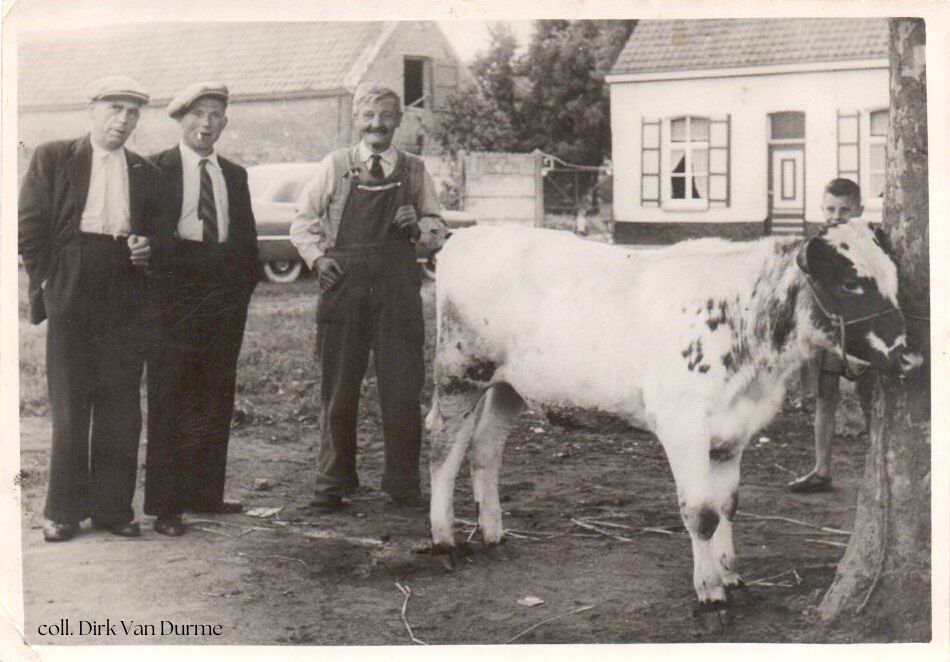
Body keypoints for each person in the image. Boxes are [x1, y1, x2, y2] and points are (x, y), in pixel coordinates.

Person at [290, 84, 447, 513]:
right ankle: (332, 483)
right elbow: (302, 221)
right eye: (368, 116)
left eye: (385, 116)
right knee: (338, 387)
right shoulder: (337, 165)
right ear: (356, 120)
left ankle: (403, 484)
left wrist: (418, 225)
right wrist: (318, 258)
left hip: (398, 291)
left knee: (402, 387)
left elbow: (437, 231)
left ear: (398, 121)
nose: (376, 124)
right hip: (345, 287)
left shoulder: (414, 170)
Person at [19, 75, 160, 541]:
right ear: (92, 110)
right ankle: (62, 512)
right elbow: (29, 224)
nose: (124, 119)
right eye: (115, 108)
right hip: (72, 277)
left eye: (132, 112)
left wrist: (146, 249)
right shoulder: (54, 156)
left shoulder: (144, 169)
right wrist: (49, 280)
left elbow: (156, 234)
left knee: (121, 402)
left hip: (125, 283)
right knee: (71, 402)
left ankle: (113, 509)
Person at [144, 83, 259, 536]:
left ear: (224, 123)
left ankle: (206, 493)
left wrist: (241, 291)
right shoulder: (155, 169)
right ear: (180, 119)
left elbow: (246, 240)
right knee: (171, 394)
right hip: (174, 291)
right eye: (197, 114)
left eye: (215, 115)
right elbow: (147, 235)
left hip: (224, 293)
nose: (206, 124)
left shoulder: (235, 174)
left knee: (215, 391)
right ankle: (166, 506)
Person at [787, 178, 874, 493]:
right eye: (830, 209)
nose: (836, 216)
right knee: (826, 399)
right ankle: (821, 470)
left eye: (845, 210)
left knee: (870, 396)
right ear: (822, 209)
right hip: (828, 333)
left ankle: (875, 469)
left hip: (861, 332)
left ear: (859, 210)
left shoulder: (871, 244)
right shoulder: (815, 246)